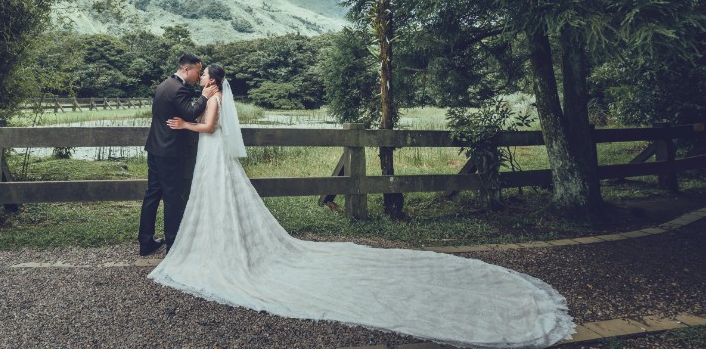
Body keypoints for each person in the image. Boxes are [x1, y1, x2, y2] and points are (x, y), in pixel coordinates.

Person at [149, 63, 575, 348]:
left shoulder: (216, 98)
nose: (202, 78)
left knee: (217, 197)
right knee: (211, 199)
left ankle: (219, 249)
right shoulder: (208, 93)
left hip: (210, 154)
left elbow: (207, 126)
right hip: (210, 159)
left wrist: (187, 123)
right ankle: (213, 242)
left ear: (213, 80)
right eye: (201, 74)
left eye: (205, 75)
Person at [137, 53, 217, 257]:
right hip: (170, 151)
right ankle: (173, 246)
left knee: (152, 196)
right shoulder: (179, 89)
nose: (198, 75)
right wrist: (205, 97)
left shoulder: (164, 84)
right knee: (172, 199)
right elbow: (190, 114)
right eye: (198, 71)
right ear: (187, 69)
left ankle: (145, 243)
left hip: (155, 148)